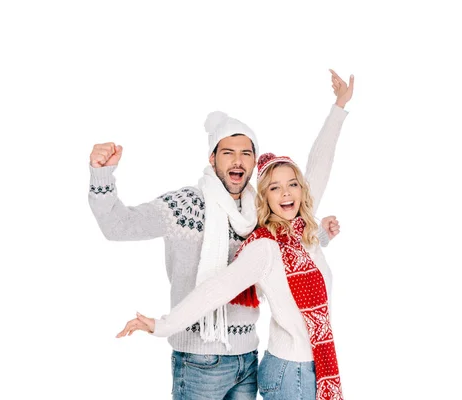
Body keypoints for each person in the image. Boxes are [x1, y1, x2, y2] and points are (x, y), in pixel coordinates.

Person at [89, 72, 345, 400]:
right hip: (198, 359)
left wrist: (319, 234)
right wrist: (101, 176)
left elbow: (292, 243)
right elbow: (118, 227)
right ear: (212, 159)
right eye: (228, 152)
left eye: (246, 153)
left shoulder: (260, 212)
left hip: (247, 357)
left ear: (254, 163)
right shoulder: (187, 205)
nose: (238, 160)